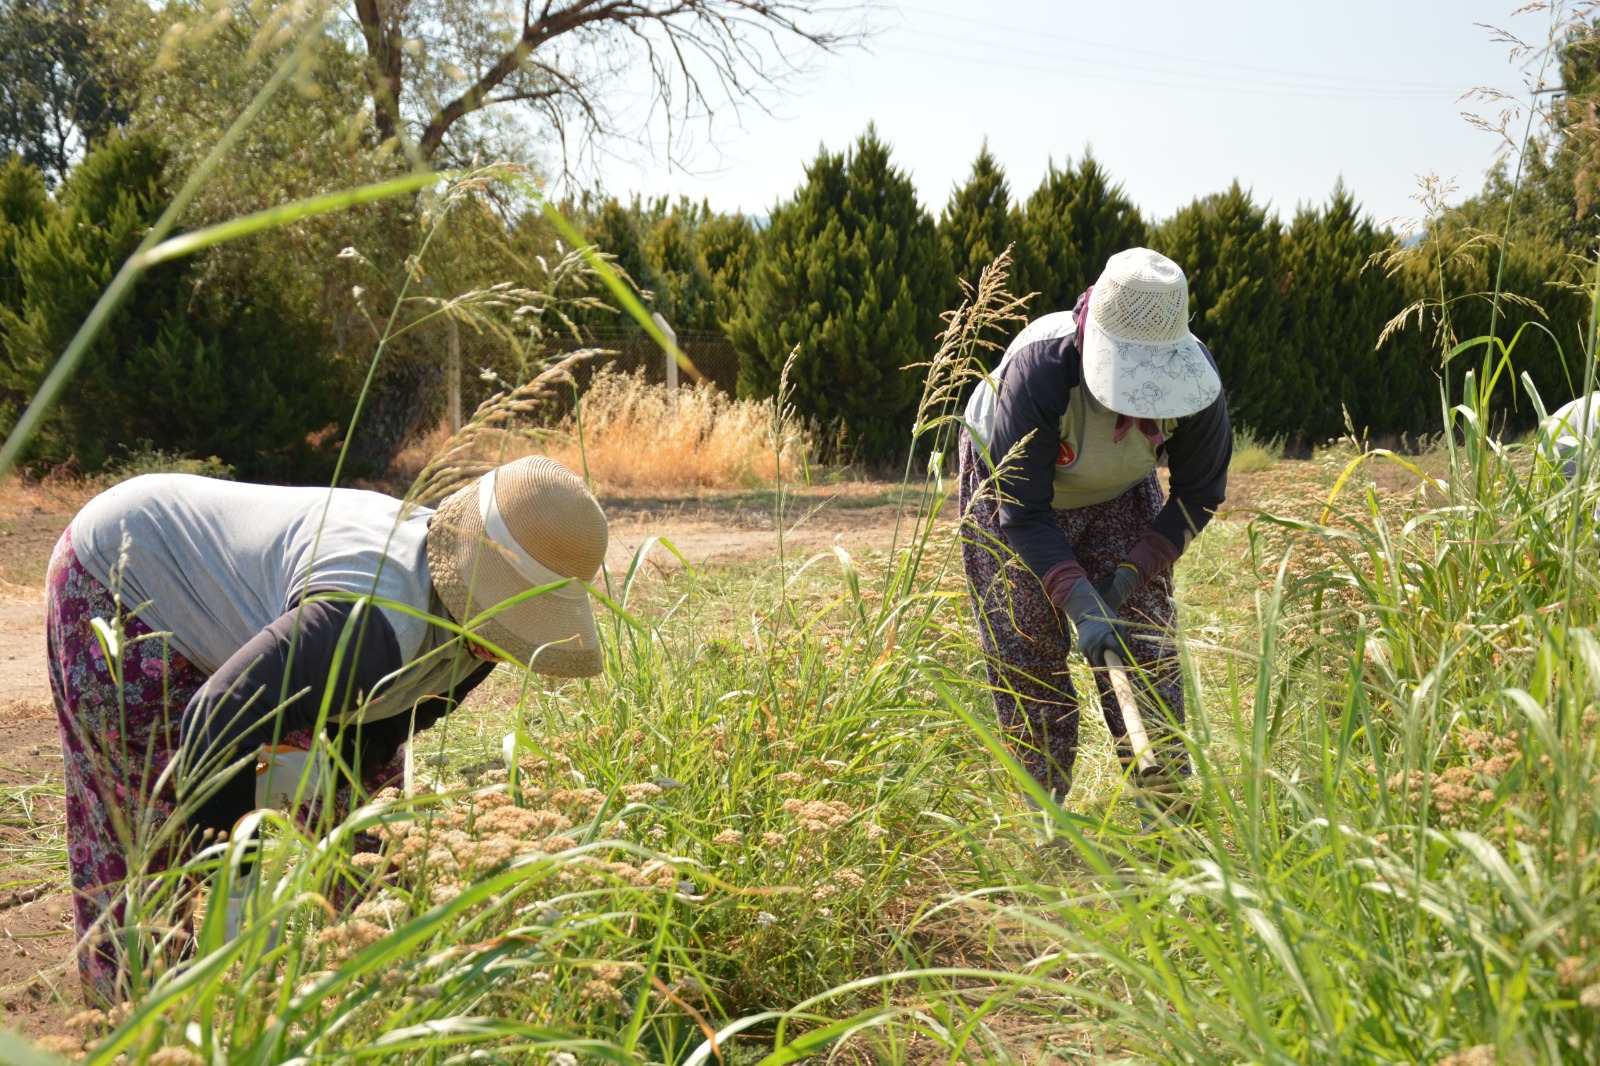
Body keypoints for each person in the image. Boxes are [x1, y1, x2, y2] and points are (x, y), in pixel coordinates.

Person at [45, 455, 607, 1004]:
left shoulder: (480, 635)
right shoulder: (370, 623)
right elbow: (215, 723)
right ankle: (129, 1012)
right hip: (128, 578)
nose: (503, 642)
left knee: (371, 827)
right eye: (503, 613)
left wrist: (307, 777)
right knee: (151, 819)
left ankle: (369, 986)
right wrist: (238, 892)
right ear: (469, 583)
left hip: (266, 645)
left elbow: (381, 735)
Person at [959, 247, 1231, 804]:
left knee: (1145, 644)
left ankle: (1167, 810)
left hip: (1119, 489)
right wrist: (1081, 603)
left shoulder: (1197, 386)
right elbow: (1024, 511)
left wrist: (1125, 579)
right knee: (1026, 648)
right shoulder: (1042, 367)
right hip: (1009, 491)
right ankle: (1045, 819)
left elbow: (1199, 493)